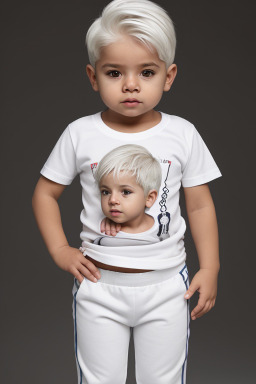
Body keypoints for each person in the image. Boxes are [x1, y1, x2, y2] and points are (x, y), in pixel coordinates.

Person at [31, 0, 222, 383]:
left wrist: (211, 265)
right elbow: (44, 194)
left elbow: (199, 205)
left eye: (147, 72)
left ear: (168, 77)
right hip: (99, 285)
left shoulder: (182, 133)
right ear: (92, 76)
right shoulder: (80, 133)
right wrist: (60, 250)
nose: (131, 84)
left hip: (168, 286)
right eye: (115, 72)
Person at [90, 144, 162, 248]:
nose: (112, 200)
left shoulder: (163, 230)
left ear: (149, 198)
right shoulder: (99, 228)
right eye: (106, 192)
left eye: (126, 192)